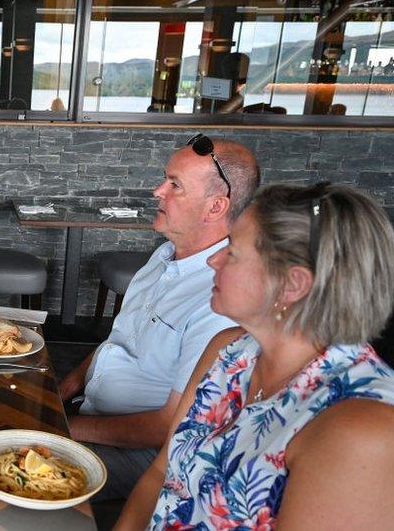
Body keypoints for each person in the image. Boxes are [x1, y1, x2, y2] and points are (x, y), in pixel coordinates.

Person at [116, 183, 394, 529]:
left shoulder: (360, 429)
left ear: (292, 285)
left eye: (231, 250)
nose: (213, 259)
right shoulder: (229, 352)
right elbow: (161, 473)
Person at [58, 134, 260, 500]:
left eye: (174, 185)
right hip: (90, 416)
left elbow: (168, 427)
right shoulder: (163, 257)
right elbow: (117, 342)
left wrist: (61, 427)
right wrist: (60, 392)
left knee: (1, 460)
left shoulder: (220, 297)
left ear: (215, 207)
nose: (157, 191)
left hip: (143, 454)